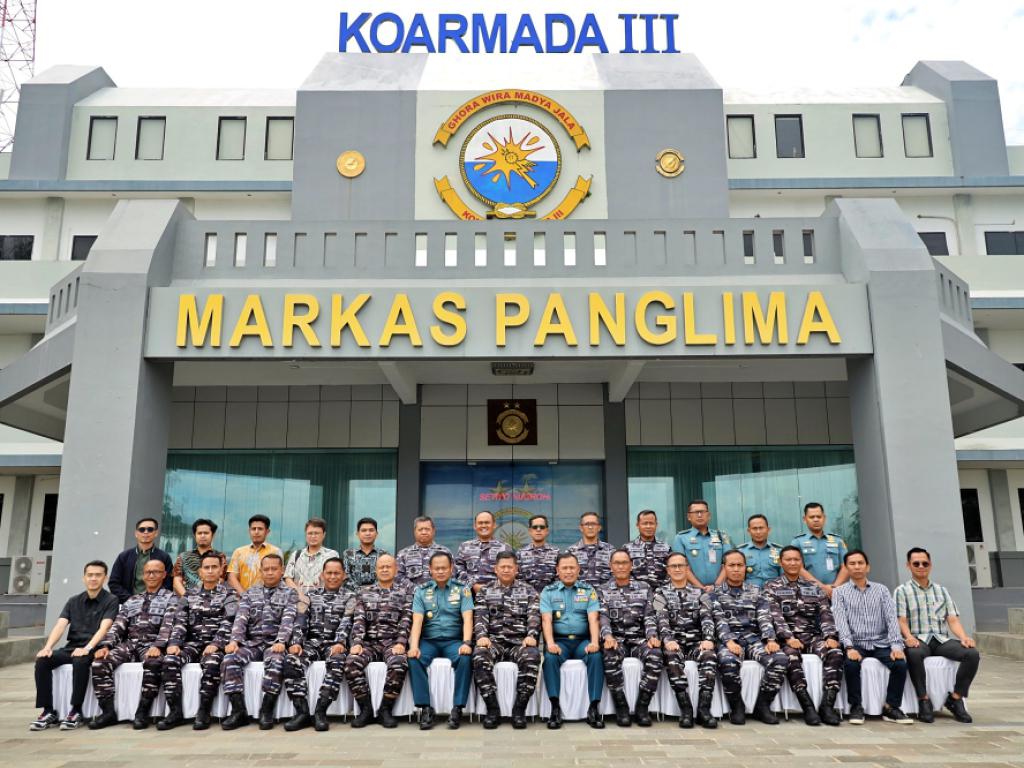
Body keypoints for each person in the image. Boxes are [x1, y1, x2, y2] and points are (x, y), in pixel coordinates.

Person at [30, 560, 119, 731]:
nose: (93, 578)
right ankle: (48, 711)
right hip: (72, 647)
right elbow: (60, 625)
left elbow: (105, 628)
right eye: (90, 575)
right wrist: (47, 647)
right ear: (84, 578)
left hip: (94, 648)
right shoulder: (73, 601)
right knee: (42, 661)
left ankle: (76, 710)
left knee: (80, 661)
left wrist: (87, 648)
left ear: (105, 578)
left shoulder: (111, 600)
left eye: (98, 575)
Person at [88, 560, 176, 730]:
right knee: (100, 662)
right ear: (143, 575)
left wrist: (159, 646)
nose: (151, 575)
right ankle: (108, 712)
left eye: (156, 572)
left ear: (164, 575)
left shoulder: (172, 599)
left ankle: (142, 711)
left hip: (153, 645)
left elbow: (169, 625)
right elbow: (118, 625)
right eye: (148, 572)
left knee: (154, 662)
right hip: (130, 644)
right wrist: (106, 646)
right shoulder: (132, 600)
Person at [895, 547, 979, 724]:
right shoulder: (902, 591)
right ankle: (923, 700)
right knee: (913, 653)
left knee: (971, 654)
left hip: (941, 640)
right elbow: (901, 620)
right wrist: (908, 637)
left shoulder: (942, 591)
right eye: (916, 563)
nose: (921, 566)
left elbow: (952, 619)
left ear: (930, 565)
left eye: (924, 563)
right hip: (918, 639)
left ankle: (955, 698)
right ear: (908, 566)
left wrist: (964, 637)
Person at [156, 551, 238, 731]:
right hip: (192, 644)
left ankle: (204, 711)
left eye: (214, 567)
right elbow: (180, 621)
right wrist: (174, 643)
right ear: (200, 572)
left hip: (216, 644)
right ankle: (175, 712)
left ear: (221, 570)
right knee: (169, 660)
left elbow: (229, 622)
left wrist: (216, 644)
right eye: (206, 567)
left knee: (212, 663)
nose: (210, 571)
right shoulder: (188, 595)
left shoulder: (229, 594)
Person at [761, 546, 843, 726]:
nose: (792, 563)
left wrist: (830, 636)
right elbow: (774, 615)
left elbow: (825, 613)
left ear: (802, 562)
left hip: (812, 636)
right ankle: (807, 707)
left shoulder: (814, 587)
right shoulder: (771, 586)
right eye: (788, 560)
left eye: (796, 559)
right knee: (791, 657)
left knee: (835, 653)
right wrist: (788, 637)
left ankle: (827, 706)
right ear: (781, 563)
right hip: (786, 638)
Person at [831, 549, 912, 725]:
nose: (857, 567)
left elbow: (891, 620)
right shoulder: (839, 592)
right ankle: (856, 706)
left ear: (868, 567)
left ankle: (891, 707)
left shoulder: (882, 590)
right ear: (846, 568)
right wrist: (849, 647)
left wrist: (896, 646)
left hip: (881, 642)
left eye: (860, 563)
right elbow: (841, 622)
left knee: (900, 664)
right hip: (856, 643)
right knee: (851, 665)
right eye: (852, 564)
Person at [220, 554, 299, 731]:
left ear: (282, 570)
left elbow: (288, 619)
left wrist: (281, 641)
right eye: (266, 569)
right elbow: (241, 618)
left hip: (274, 643)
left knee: (277, 659)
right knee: (229, 659)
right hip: (253, 643)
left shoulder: (290, 593)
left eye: (274, 569)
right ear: (261, 571)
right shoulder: (250, 593)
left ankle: (266, 710)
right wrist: (235, 641)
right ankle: (239, 711)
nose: (270, 572)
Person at [710, 549, 786, 726]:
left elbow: (765, 617)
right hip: (727, 640)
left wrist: (770, 639)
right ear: (724, 568)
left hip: (753, 639)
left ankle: (762, 706)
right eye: (732, 565)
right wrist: (729, 641)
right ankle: (737, 706)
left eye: (740, 565)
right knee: (727, 661)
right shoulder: (714, 594)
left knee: (780, 659)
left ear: (745, 567)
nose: (736, 569)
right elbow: (718, 620)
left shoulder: (757, 591)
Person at [282, 557, 357, 732]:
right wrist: (296, 642)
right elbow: (301, 620)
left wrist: (340, 641)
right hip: (312, 643)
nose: (332, 576)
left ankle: (320, 712)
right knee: (291, 660)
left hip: (334, 644)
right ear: (322, 575)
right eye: (329, 573)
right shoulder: (310, 596)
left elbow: (347, 622)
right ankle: (301, 712)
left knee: (338, 661)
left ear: (344, 575)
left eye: (337, 573)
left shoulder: (351, 597)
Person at [472, 551, 541, 730]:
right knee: (479, 655)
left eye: (510, 567)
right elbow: (480, 617)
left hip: (519, 643)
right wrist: (481, 636)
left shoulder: (528, 591)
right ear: (495, 569)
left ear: (516, 569)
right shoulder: (485, 591)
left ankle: (519, 710)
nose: (506, 570)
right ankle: (492, 709)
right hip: (493, 642)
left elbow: (534, 616)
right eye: (502, 567)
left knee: (532, 656)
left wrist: (531, 635)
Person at [345, 554, 413, 728]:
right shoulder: (364, 593)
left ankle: (385, 709)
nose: (384, 569)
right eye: (381, 567)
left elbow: (406, 620)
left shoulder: (405, 593)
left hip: (393, 642)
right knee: (351, 662)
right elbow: (359, 620)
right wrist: (357, 642)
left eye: (388, 566)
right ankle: (366, 709)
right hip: (370, 643)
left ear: (396, 570)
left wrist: (401, 642)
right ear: (375, 570)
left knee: (399, 663)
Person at [409, 552, 474, 730]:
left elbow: (468, 618)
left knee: (465, 658)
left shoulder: (463, 589)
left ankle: (457, 708)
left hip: (454, 640)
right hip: (429, 641)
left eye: (444, 568)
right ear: (430, 569)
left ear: (451, 568)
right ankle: (425, 708)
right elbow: (417, 622)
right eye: (436, 568)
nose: (440, 571)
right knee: (414, 658)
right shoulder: (421, 591)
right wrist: (413, 646)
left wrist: (466, 643)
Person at [652, 552, 718, 729]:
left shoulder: (700, 593)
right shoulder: (659, 593)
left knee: (710, 656)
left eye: (681, 565)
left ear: (687, 568)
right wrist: (667, 640)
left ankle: (704, 710)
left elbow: (707, 618)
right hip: (674, 643)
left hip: (696, 643)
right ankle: (686, 710)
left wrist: (708, 639)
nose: (677, 569)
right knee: (671, 657)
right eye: (673, 566)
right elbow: (661, 619)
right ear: (668, 570)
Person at [597, 549, 662, 727]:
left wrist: (652, 636)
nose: (621, 566)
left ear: (631, 565)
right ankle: (621, 707)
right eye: (617, 563)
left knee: (656, 654)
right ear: (610, 566)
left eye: (624, 563)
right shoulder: (602, 590)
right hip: (616, 639)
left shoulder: (645, 588)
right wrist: (607, 636)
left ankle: (642, 707)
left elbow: (650, 615)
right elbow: (603, 617)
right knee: (609, 654)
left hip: (639, 639)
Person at [540, 553, 605, 730]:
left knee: (596, 656)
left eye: (572, 568)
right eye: (564, 568)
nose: (568, 571)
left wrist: (594, 642)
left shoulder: (588, 590)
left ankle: (594, 708)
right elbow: (546, 620)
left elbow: (593, 619)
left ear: (578, 569)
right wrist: (550, 643)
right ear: (557, 570)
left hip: (582, 641)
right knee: (550, 658)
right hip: (559, 642)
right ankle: (555, 708)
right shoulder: (548, 591)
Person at [108, 517, 174, 602]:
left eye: (150, 529)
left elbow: (168, 584)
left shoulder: (164, 557)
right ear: (136, 533)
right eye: (142, 529)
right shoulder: (124, 556)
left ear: (156, 533)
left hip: (156, 604)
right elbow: (114, 583)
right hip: (127, 603)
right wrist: (132, 600)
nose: (146, 532)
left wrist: (153, 600)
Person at [671, 500, 731, 591]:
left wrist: (715, 587)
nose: (699, 515)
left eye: (702, 512)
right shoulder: (680, 538)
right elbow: (681, 567)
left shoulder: (722, 536)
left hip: (720, 590)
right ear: (689, 517)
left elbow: (729, 564)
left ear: (709, 515)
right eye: (696, 512)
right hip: (692, 591)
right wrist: (701, 588)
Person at [791, 503, 849, 598]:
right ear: (804, 519)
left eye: (819, 516)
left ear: (824, 518)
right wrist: (822, 587)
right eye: (812, 517)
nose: (816, 519)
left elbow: (846, 566)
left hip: (836, 592)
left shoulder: (837, 540)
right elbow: (798, 568)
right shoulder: (797, 542)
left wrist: (834, 588)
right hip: (810, 593)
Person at [455, 510, 512, 595]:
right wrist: (473, 585)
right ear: (475, 526)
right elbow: (457, 570)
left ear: (494, 525)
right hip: (470, 594)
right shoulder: (464, 546)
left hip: (498, 594)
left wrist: (492, 588)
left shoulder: (505, 548)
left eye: (487, 522)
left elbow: (510, 571)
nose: (483, 525)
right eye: (480, 523)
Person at [227, 514, 282, 593]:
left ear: (267, 532)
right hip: (242, 597)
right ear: (249, 531)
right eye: (253, 529)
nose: (256, 532)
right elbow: (232, 577)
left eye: (260, 529)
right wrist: (244, 596)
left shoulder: (275, 552)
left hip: (268, 598)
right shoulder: (239, 552)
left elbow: (279, 576)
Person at [171, 518, 227, 596]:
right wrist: (187, 598)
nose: (202, 536)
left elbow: (221, 580)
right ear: (195, 535)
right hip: (187, 599)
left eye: (206, 533)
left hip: (212, 599)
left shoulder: (220, 556)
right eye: (199, 533)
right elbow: (177, 581)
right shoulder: (183, 556)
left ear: (213, 535)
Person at [284, 518, 339, 593]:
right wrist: (300, 594)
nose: (313, 536)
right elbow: (288, 578)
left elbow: (336, 579)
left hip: (322, 598)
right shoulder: (296, 555)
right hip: (298, 598)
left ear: (324, 535)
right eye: (310, 533)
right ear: (305, 535)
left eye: (316, 533)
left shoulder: (332, 555)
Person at [396, 516, 453, 587]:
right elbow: (398, 577)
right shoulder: (403, 554)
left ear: (433, 531)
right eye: (420, 529)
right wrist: (417, 590)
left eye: (427, 529)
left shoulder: (445, 552)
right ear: (414, 532)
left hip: (439, 592)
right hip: (412, 593)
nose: (424, 532)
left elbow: (452, 574)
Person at [624, 509, 671, 590]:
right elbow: (623, 571)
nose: (648, 526)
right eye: (645, 523)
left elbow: (671, 571)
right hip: (636, 593)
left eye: (651, 523)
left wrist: (663, 590)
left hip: (661, 592)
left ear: (656, 525)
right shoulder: (627, 548)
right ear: (637, 525)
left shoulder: (666, 548)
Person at [567, 511, 616, 586]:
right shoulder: (571, 551)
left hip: (604, 592)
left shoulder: (610, 550)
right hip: (579, 592)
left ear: (599, 527)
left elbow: (615, 575)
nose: (590, 527)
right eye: (587, 524)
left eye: (593, 524)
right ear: (581, 528)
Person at [516, 514, 559, 594]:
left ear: (547, 531)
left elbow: (559, 579)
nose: (538, 530)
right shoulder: (520, 554)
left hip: (550, 597)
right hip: (527, 598)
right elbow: (518, 579)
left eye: (542, 527)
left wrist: (547, 595)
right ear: (530, 531)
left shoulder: (556, 553)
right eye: (535, 527)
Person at [736, 514, 782, 588]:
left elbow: (784, 575)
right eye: (754, 528)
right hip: (749, 592)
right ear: (749, 531)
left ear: (768, 529)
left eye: (761, 528)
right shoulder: (741, 552)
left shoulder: (779, 551)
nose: (758, 532)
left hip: (775, 591)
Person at [342, 517, 387, 587]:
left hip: (378, 592)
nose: (368, 533)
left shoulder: (383, 554)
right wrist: (359, 591)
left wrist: (371, 590)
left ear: (376, 534)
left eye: (371, 530)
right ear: (357, 534)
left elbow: (386, 576)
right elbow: (346, 577)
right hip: (353, 593)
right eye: (364, 530)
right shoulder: (349, 554)